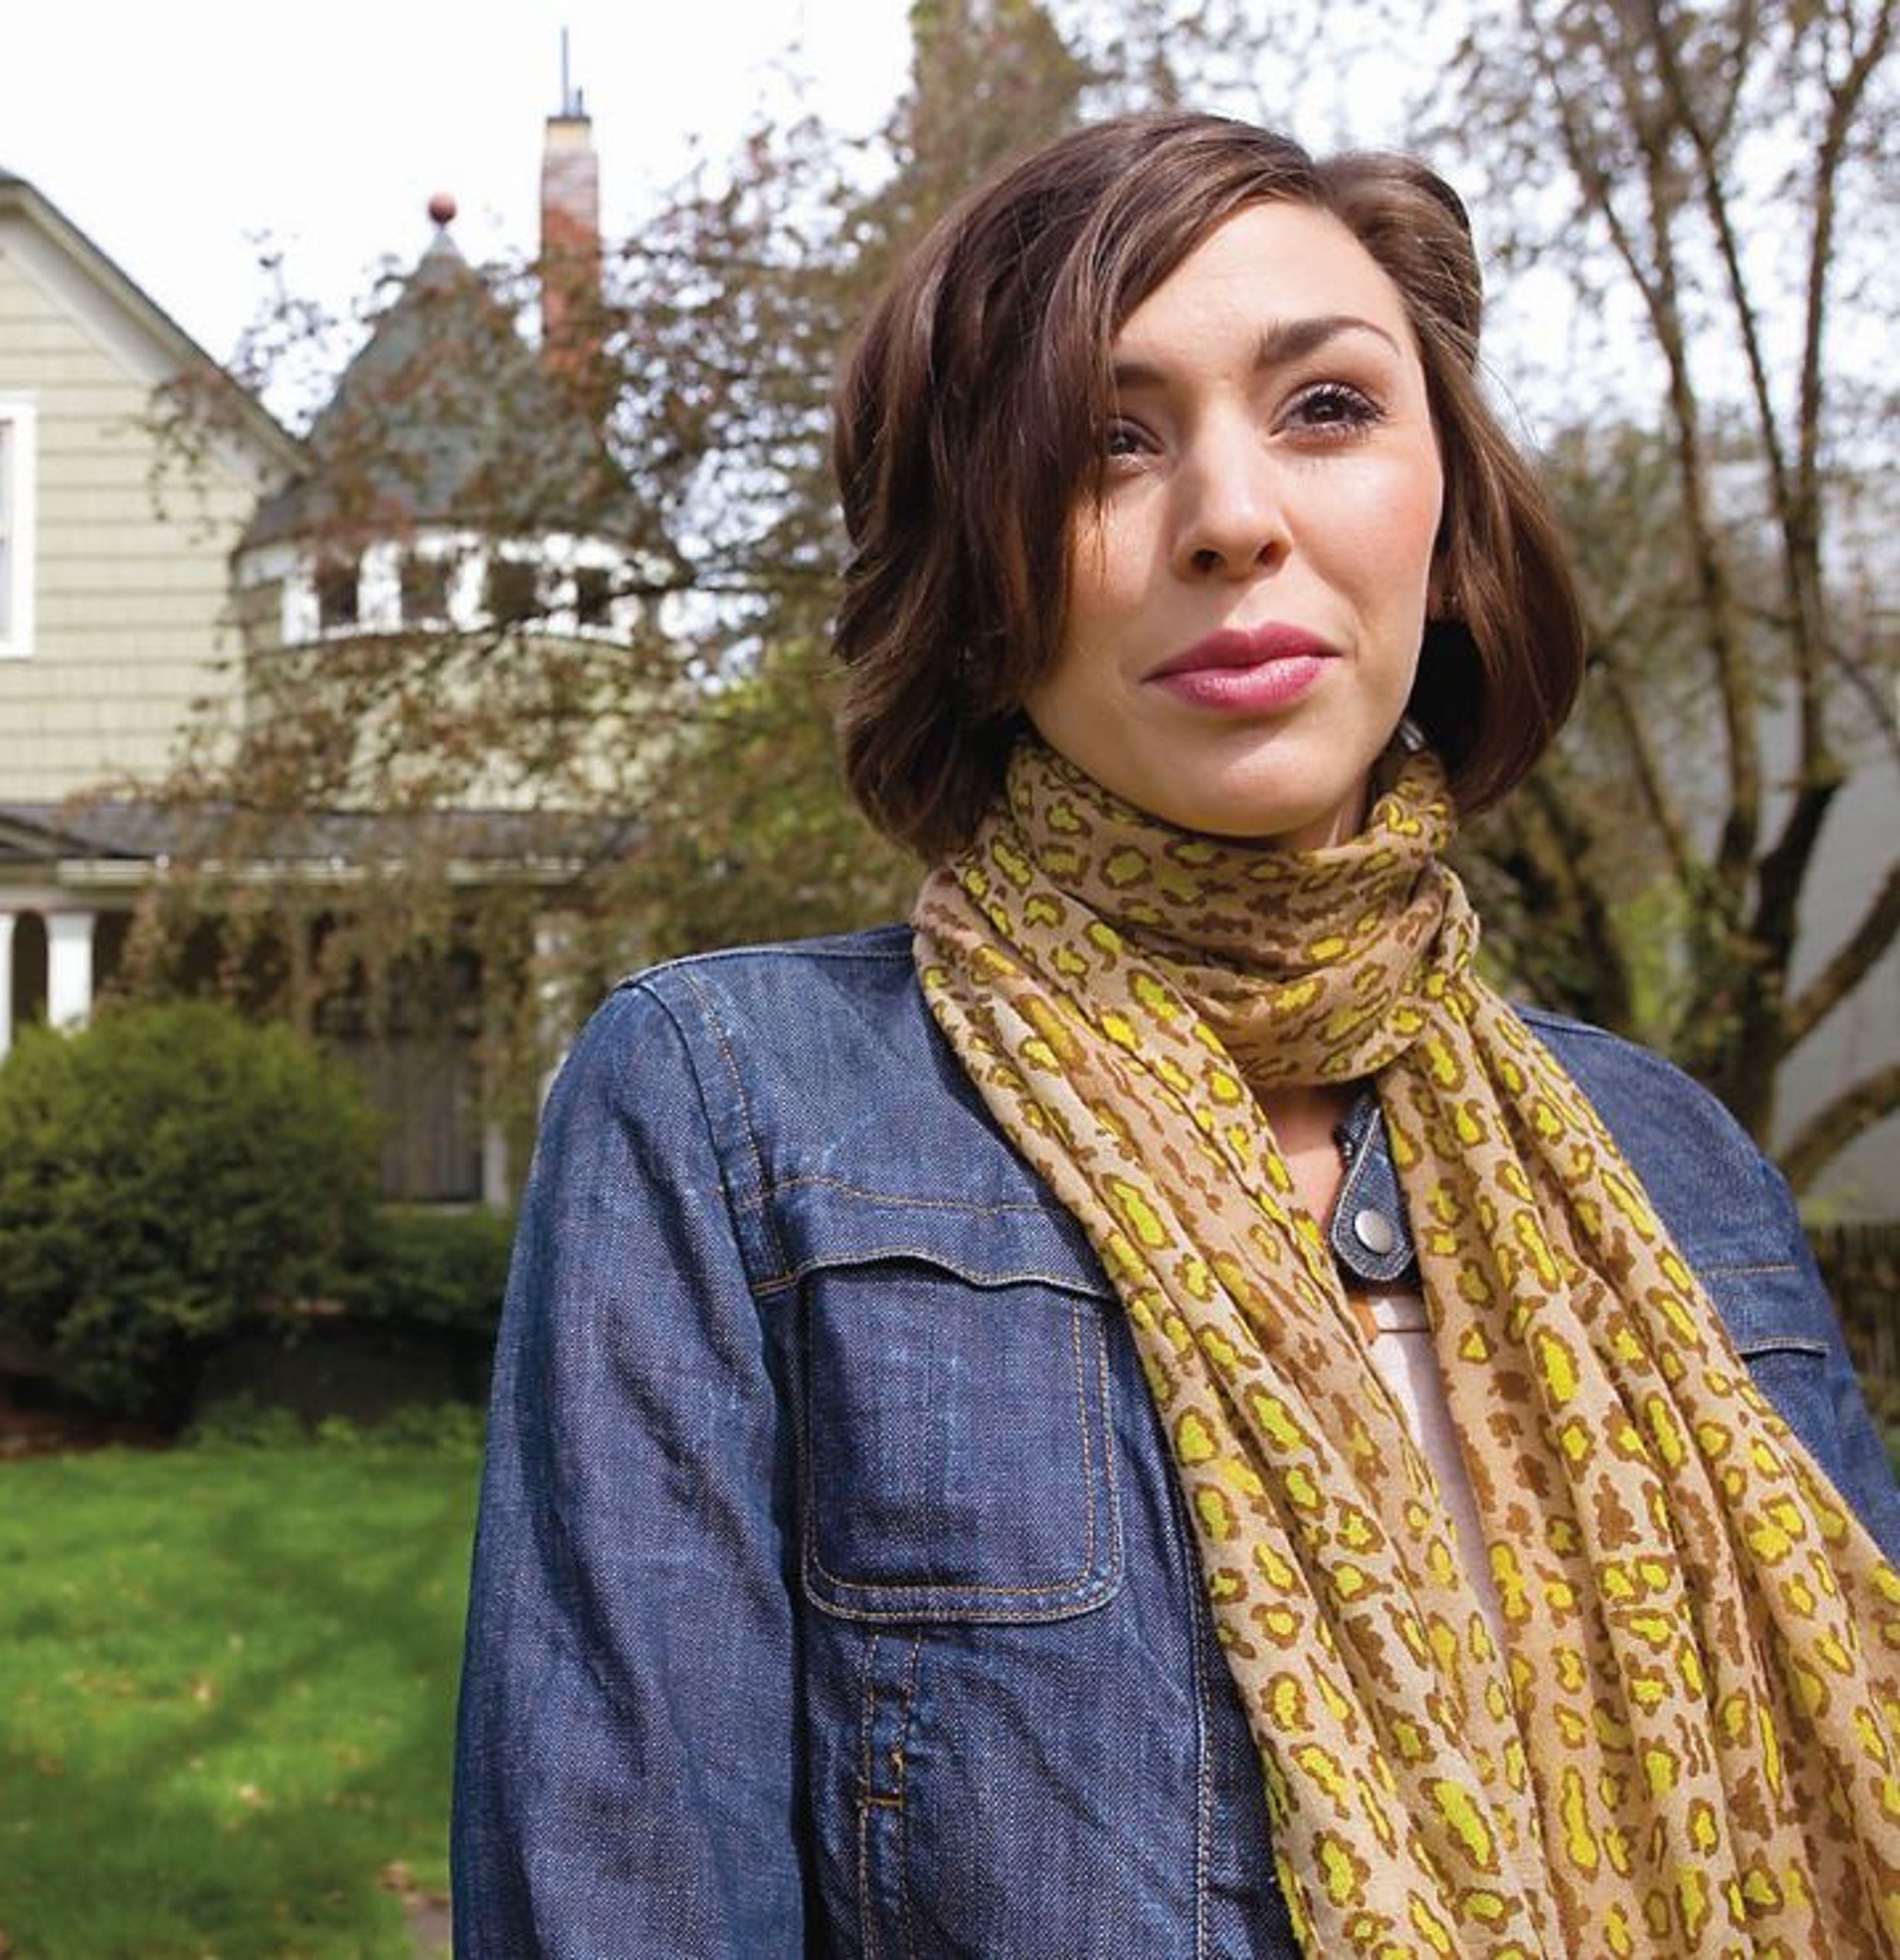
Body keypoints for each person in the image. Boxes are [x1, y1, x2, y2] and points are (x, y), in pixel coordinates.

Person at [452, 112, 1900, 1955]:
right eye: (1105, 441)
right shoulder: (732, 1117)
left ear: (1446, 506)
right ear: (978, 577)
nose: (1231, 514)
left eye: (1326, 409)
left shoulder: (1675, 1159)